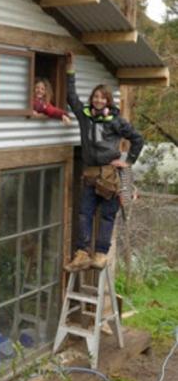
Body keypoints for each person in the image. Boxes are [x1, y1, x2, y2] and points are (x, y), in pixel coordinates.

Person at [65, 52, 144, 272]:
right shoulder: (85, 116)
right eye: (95, 97)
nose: (98, 100)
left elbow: (138, 139)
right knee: (85, 213)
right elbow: (71, 97)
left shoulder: (116, 122)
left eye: (103, 98)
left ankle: (100, 254)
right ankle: (82, 253)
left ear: (108, 101)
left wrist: (128, 161)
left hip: (111, 176)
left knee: (108, 215)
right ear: (92, 99)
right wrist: (70, 70)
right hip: (91, 175)